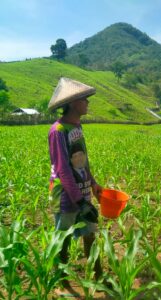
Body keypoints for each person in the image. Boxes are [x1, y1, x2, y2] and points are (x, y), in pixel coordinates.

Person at [48, 77, 103, 290]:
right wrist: (81, 202)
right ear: (72, 103)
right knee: (63, 240)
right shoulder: (58, 130)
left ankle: (97, 278)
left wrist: (93, 184)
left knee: (90, 233)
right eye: (84, 99)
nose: (88, 102)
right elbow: (63, 170)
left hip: (81, 194)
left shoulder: (77, 126)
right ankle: (62, 284)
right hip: (66, 196)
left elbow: (82, 160)